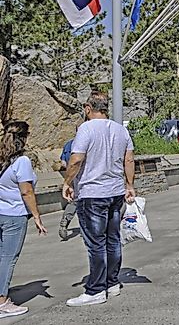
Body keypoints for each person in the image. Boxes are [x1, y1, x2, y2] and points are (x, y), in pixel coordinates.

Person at [62, 91, 135, 307]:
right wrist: (129, 185)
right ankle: (111, 282)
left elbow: (76, 159)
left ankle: (95, 289)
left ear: (87, 108)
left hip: (92, 193)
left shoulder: (85, 129)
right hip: (114, 191)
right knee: (113, 239)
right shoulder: (120, 129)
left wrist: (67, 182)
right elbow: (128, 159)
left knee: (96, 243)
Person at [0, 121, 47, 318]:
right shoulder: (22, 161)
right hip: (14, 215)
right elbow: (26, 191)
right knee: (8, 258)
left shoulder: (2, 159)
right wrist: (36, 216)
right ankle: (2, 301)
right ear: (24, 138)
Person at [58, 137, 78, 240]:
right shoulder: (86, 141)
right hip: (85, 175)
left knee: (74, 201)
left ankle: (65, 220)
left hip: (71, 176)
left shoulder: (68, 144)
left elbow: (63, 163)